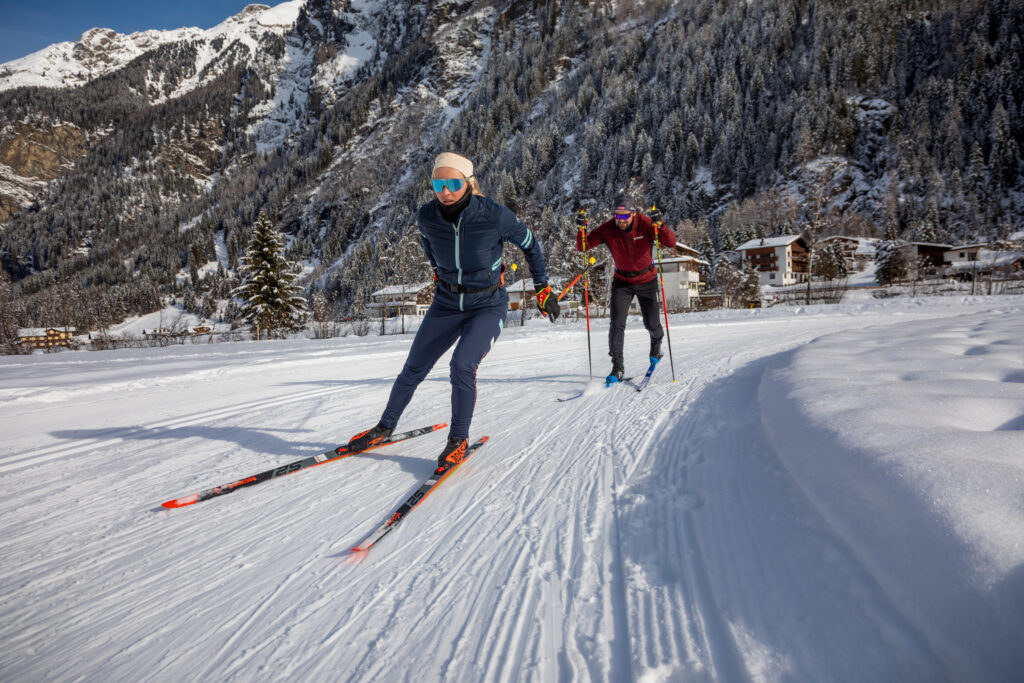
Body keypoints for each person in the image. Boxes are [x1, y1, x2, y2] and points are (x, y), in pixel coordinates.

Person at [347, 152, 560, 469]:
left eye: (453, 183)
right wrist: (438, 271)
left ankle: (457, 440)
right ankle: (384, 428)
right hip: (446, 303)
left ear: (468, 182)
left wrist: (542, 287)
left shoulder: (494, 215)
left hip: (488, 304)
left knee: (462, 365)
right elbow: (428, 246)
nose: (445, 191)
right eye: (438, 183)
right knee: (413, 369)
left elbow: (530, 244)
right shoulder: (426, 216)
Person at [575, 191, 676, 382]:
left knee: (651, 323)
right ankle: (617, 367)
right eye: (616, 216)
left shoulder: (646, 223)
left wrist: (660, 225)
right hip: (622, 282)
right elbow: (583, 246)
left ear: (633, 214)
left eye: (624, 216)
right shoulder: (608, 228)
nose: (620, 220)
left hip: (647, 279)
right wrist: (581, 229)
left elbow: (670, 242)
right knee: (616, 324)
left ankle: (657, 343)